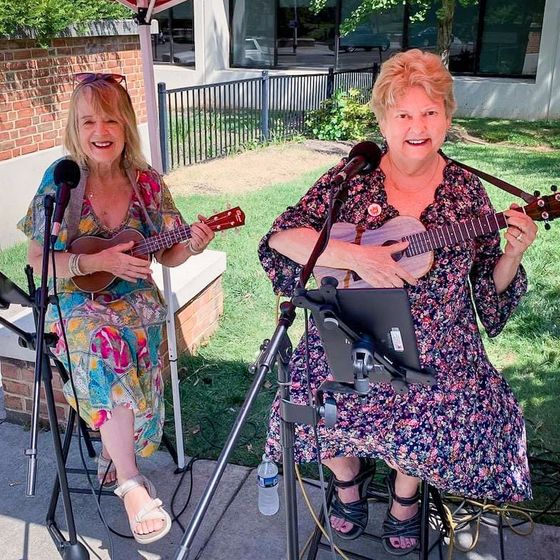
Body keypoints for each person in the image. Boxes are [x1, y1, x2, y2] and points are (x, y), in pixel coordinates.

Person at [258, 49, 537, 555]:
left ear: (448, 117)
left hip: (440, 348)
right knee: (307, 400)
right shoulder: (349, 180)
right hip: (352, 336)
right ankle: (348, 483)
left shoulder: (467, 193)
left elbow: (489, 295)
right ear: (383, 120)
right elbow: (281, 239)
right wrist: (354, 258)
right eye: (403, 113)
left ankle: (405, 496)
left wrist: (512, 255)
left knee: (433, 403)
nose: (417, 126)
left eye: (430, 112)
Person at [18, 72, 214, 545]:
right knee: (104, 346)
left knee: (132, 342)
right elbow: (36, 257)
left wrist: (192, 244)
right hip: (79, 302)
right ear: (75, 126)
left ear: (126, 124)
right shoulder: (62, 179)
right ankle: (130, 483)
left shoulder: (146, 182)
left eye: (110, 119)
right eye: (88, 121)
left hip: (135, 301)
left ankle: (116, 448)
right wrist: (94, 259)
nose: (100, 130)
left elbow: (167, 251)